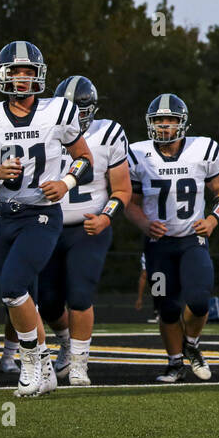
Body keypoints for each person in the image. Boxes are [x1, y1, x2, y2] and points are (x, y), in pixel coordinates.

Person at [0, 40, 94, 397]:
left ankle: (35, 361)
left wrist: (66, 181)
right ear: (2, 75)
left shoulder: (58, 111)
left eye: (29, 71)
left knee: (12, 286)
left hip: (41, 215)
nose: (22, 78)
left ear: (39, 76)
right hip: (5, 216)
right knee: (14, 298)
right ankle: (43, 367)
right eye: (15, 71)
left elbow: (84, 160)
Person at [126, 93, 219, 382]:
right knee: (166, 306)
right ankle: (175, 362)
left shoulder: (203, 149)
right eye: (159, 120)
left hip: (191, 240)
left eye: (170, 120)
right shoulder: (137, 154)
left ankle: (193, 345)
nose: (164, 126)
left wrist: (212, 219)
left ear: (181, 122)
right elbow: (130, 203)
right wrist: (145, 225)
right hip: (158, 245)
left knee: (199, 301)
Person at [39, 75, 132, 386]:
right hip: (48, 225)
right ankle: (66, 342)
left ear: (90, 108)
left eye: (77, 108)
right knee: (48, 301)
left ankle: (79, 362)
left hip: (89, 227)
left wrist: (106, 217)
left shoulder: (108, 133)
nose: (72, 114)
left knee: (80, 294)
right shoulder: (43, 130)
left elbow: (121, 189)